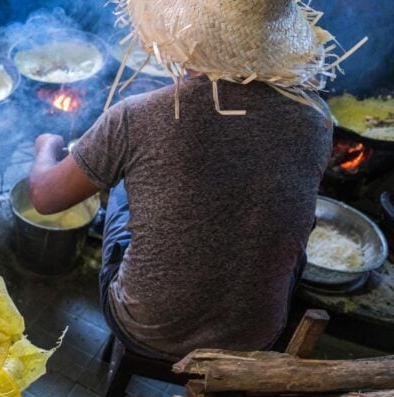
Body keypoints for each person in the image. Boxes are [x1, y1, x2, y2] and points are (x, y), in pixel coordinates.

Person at [29, 0, 355, 358]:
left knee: (124, 187)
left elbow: (45, 198)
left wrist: (48, 144)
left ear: (184, 38)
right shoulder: (316, 119)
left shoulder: (138, 116)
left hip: (149, 330)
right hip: (257, 335)